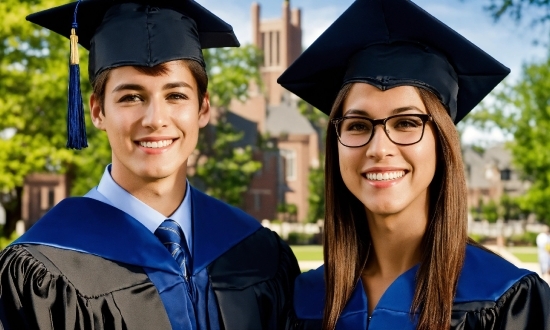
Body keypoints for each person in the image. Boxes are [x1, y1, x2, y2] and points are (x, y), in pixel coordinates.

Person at [0, 1, 300, 329]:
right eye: (131, 97)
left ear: (203, 108)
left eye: (176, 96)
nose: (156, 120)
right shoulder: (42, 271)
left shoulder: (258, 255)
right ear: (98, 111)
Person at [278, 0, 550, 329]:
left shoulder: (507, 299)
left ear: (443, 142)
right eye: (358, 126)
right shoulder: (306, 300)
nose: (379, 148)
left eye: (406, 123)